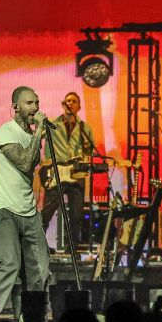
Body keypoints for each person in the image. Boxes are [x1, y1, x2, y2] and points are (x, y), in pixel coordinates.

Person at [0, 86, 51, 322]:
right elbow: (23, 162)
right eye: (30, 103)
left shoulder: (32, 136)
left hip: (29, 212)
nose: (35, 108)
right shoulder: (5, 132)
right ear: (16, 107)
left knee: (39, 270)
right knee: (9, 265)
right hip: (4, 210)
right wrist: (39, 131)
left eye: (37, 102)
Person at [40, 92, 96, 250]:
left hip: (76, 173)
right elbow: (36, 137)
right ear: (63, 104)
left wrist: (87, 149)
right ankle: (37, 244)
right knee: (48, 211)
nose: (70, 103)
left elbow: (90, 150)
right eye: (68, 101)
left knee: (76, 215)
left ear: (79, 106)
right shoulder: (51, 124)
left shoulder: (85, 128)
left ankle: (72, 247)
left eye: (74, 101)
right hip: (57, 171)